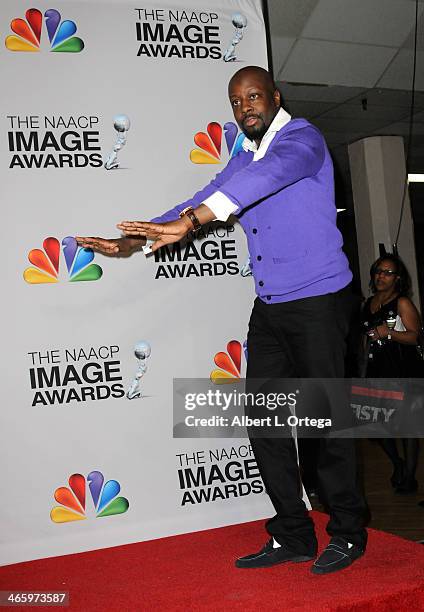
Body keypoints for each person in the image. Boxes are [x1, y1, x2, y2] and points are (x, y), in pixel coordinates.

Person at [77, 66, 367, 574]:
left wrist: (188, 223)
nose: (245, 108)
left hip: (320, 302)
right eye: (236, 102)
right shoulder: (242, 155)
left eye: (254, 97)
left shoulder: (303, 138)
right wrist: (137, 239)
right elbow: (203, 196)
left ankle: (347, 531)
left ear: (275, 97)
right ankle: (294, 535)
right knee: (265, 422)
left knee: (324, 422)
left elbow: (266, 177)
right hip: (272, 306)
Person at [360, 254, 422, 494]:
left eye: (387, 272)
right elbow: (365, 340)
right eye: (378, 271)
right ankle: (398, 463)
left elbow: (416, 336)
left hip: (403, 370)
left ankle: (408, 478)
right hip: (377, 370)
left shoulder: (402, 303)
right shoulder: (368, 304)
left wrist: (389, 333)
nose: (381, 276)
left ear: (397, 278)